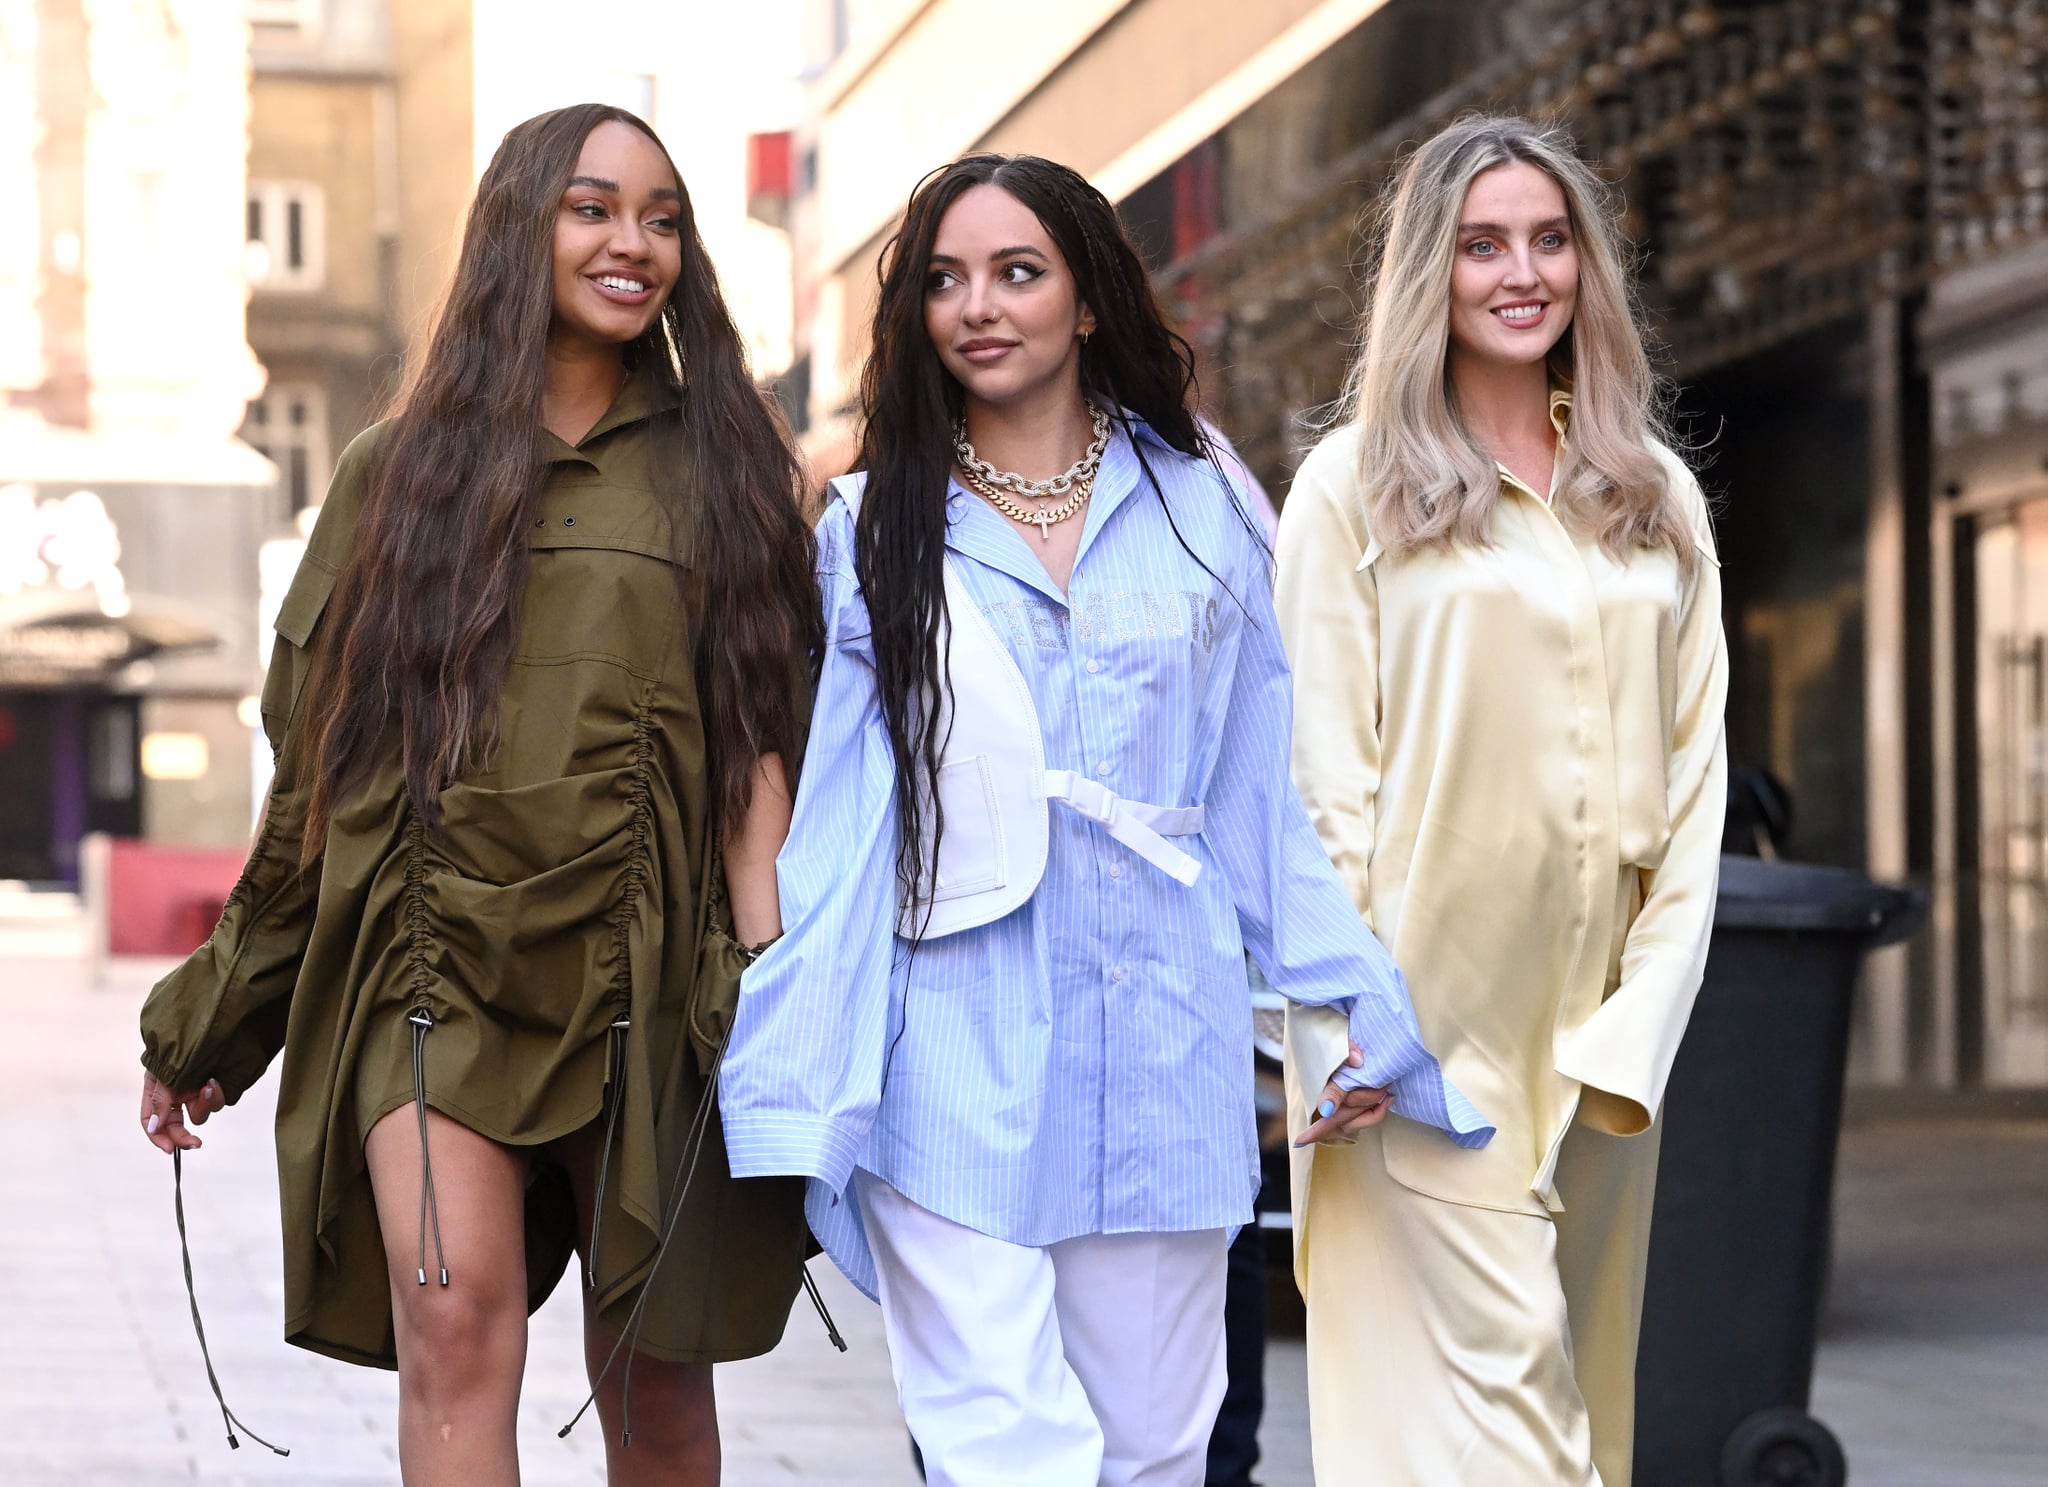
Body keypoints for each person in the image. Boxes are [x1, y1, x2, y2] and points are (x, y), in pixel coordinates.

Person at [717, 152, 1490, 1487]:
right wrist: (790, 1039)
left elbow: (1259, 790)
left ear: (1085, 300)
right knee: (1006, 1450)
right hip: (948, 1047)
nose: (980, 307)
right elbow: (842, 822)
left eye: (1019, 272)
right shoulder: (871, 527)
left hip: (1162, 1045)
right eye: (947, 281)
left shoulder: (1203, 503)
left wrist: (1352, 996)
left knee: (1152, 1453)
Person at [136, 104, 820, 1487]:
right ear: (520, 226)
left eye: (663, 216)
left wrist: (778, 984)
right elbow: (318, 778)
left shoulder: (730, 473)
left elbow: (769, 757)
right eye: (592, 207)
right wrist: (214, 1014)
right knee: (451, 1330)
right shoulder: (393, 478)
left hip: (653, 969)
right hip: (430, 963)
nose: (633, 243)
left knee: (657, 1380)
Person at [1275, 114, 1729, 1486]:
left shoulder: (1653, 499)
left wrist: (1639, 1027)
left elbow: (1697, 788)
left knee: (1575, 1411)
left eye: (1549, 241)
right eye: (1482, 245)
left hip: (1597, 1046)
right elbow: (1318, 787)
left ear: (1587, 266)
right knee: (1523, 1434)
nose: (1520, 272)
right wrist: (1351, 1029)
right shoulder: (1353, 491)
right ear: (1432, 272)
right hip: (1424, 1052)